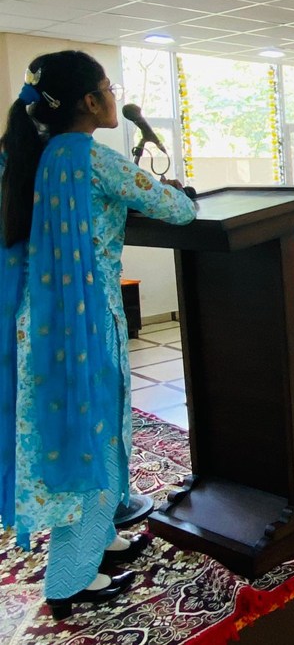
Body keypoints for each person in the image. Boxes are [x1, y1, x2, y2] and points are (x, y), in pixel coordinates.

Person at [0, 51, 196, 616]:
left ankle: (100, 536)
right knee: (92, 435)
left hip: (38, 320)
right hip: (83, 323)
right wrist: (178, 192)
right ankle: (70, 579)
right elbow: (176, 209)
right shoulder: (91, 159)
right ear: (90, 101)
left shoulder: (26, 154)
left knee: (81, 429)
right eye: (109, 88)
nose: (113, 97)